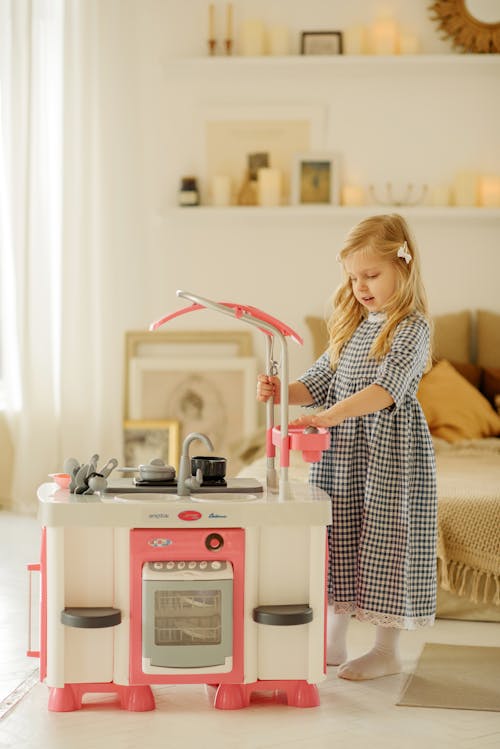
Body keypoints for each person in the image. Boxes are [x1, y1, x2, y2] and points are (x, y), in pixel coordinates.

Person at [257, 213, 437, 681]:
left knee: (386, 538)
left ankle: (385, 648)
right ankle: (333, 640)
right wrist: (283, 390)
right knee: (335, 536)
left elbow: (387, 387)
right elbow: (321, 380)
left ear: (405, 267)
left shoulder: (411, 327)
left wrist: (332, 415)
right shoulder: (353, 324)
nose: (361, 286)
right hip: (343, 455)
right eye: (354, 277)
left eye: (372, 275)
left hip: (389, 454)